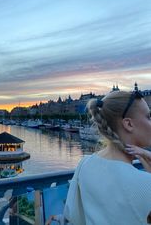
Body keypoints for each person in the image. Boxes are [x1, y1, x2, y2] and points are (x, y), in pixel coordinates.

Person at [46, 90, 151, 224]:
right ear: (129, 124)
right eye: (149, 116)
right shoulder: (145, 184)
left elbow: (73, 216)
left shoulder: (84, 164)